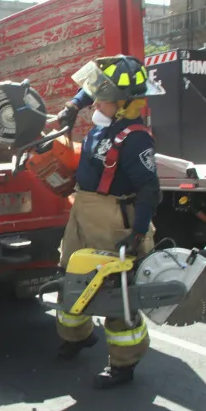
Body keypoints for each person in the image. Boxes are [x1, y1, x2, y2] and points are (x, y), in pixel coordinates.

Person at [52, 55, 165, 389]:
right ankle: (77, 337)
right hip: (84, 213)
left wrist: (138, 232)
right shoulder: (108, 122)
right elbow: (93, 91)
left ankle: (123, 365)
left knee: (117, 293)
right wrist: (73, 105)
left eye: (102, 99)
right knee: (70, 278)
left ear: (124, 103)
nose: (95, 104)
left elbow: (149, 190)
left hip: (113, 220)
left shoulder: (136, 138)